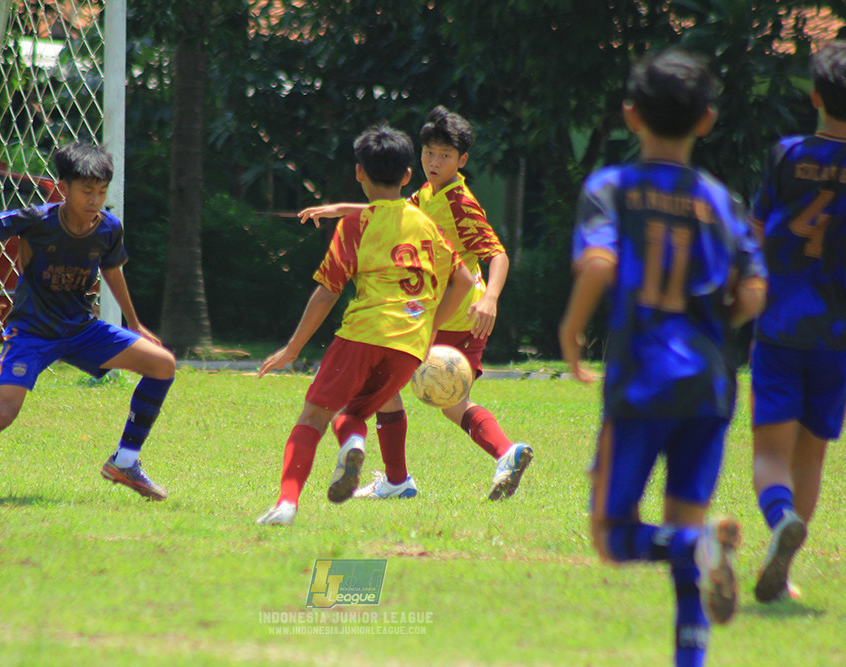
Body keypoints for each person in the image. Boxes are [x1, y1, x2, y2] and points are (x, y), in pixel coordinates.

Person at [558, 50, 767, 666]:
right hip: (709, 384)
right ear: (706, 120)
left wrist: (571, 332)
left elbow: (599, 261)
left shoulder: (612, 187)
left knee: (614, 537)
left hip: (642, 382)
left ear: (630, 115)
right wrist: (713, 327)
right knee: (684, 520)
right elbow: (754, 291)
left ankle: (697, 547)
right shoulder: (720, 200)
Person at [0, 142, 176, 501]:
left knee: (162, 364)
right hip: (32, 333)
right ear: (64, 189)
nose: (94, 199)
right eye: (86, 191)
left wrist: (134, 323)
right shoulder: (39, 220)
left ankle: (125, 461)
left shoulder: (108, 229)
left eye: (101, 192)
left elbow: (112, 270)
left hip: (80, 329)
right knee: (2, 414)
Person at [298, 106, 532, 502]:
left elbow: (498, 253)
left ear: (462, 161)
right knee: (425, 396)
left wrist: (490, 298)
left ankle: (409, 476)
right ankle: (415, 475)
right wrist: (340, 209)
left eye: (444, 155)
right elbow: (394, 210)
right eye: (428, 153)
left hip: (457, 317)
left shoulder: (460, 202)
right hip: (435, 317)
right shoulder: (426, 194)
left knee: (415, 392)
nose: (434, 162)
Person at [256, 123, 473, 526]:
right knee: (352, 413)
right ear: (408, 175)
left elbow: (327, 292)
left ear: (359, 173)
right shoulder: (426, 224)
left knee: (312, 419)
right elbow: (463, 281)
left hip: (363, 335)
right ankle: (354, 441)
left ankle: (287, 504)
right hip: (408, 347)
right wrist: (430, 327)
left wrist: (293, 348)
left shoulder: (356, 225)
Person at [749, 40, 846, 604]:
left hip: (782, 326)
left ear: (815, 95)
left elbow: (757, 236)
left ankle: (780, 516)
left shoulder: (786, 155)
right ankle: (782, 573)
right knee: (812, 454)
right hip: (837, 338)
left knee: (770, 455)